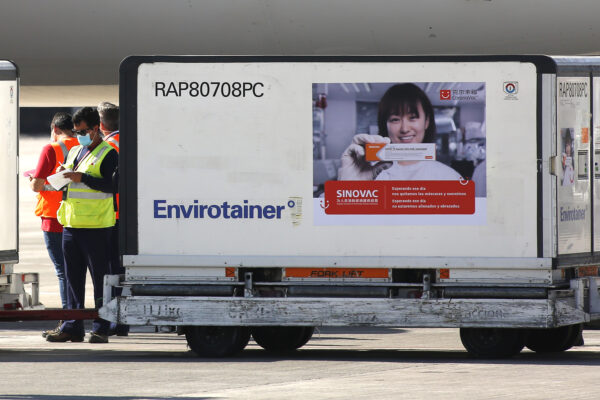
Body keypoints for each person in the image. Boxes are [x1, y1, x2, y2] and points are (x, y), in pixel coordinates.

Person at [46, 107, 118, 343]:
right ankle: (73, 326)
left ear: (96, 128)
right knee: (73, 281)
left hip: (97, 227)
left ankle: (101, 327)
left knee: (100, 281)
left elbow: (112, 186)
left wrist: (83, 178)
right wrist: (62, 174)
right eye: (77, 132)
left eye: (84, 132)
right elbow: (71, 182)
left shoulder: (108, 154)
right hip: (71, 224)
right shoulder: (76, 151)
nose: (80, 136)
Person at [338, 83, 461, 181]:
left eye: (412, 118)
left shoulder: (449, 178)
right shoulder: (369, 174)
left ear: (426, 122)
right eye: (395, 119)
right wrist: (348, 188)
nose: (404, 129)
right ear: (385, 125)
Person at [29, 112, 79, 337]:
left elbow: (37, 185)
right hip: (80, 216)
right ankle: (78, 321)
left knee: (63, 272)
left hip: (54, 218)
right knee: (78, 272)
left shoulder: (51, 149)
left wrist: (33, 181)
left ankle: (69, 323)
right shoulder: (85, 147)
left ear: (55, 128)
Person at [98, 101, 129, 336]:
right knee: (123, 271)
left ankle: (114, 321)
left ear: (101, 125)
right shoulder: (128, 141)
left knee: (112, 271)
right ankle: (122, 322)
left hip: (113, 214)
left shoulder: (108, 147)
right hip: (127, 213)